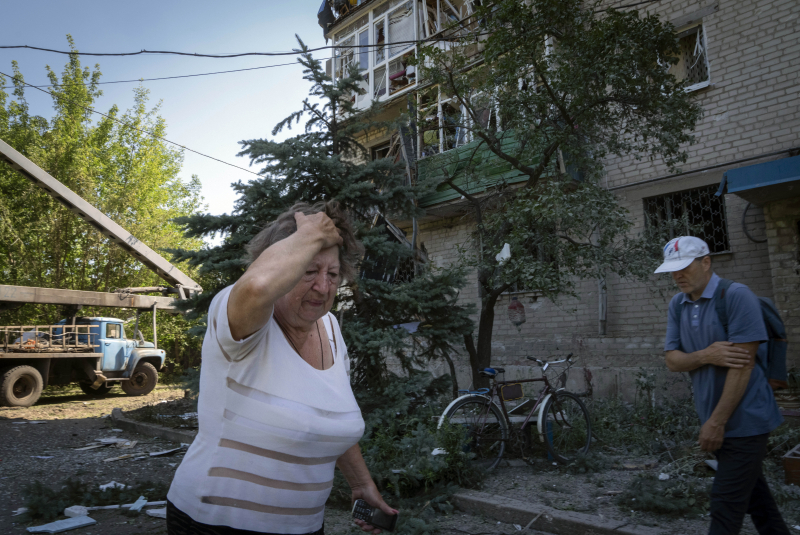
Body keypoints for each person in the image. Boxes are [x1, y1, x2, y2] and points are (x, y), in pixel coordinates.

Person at [167, 201, 397, 535]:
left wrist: (361, 483)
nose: (323, 286)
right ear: (283, 263)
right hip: (215, 523)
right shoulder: (239, 319)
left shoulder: (330, 329)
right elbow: (258, 286)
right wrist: (311, 233)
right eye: (308, 271)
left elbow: (327, 413)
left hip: (304, 526)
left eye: (332, 274)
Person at [658, 236, 789, 535]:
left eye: (684, 267)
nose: (677, 275)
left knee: (725, 508)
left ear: (706, 262)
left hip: (746, 420)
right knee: (759, 502)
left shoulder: (736, 296)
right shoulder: (677, 304)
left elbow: (742, 366)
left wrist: (716, 422)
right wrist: (707, 355)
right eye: (672, 269)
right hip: (715, 418)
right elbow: (672, 360)